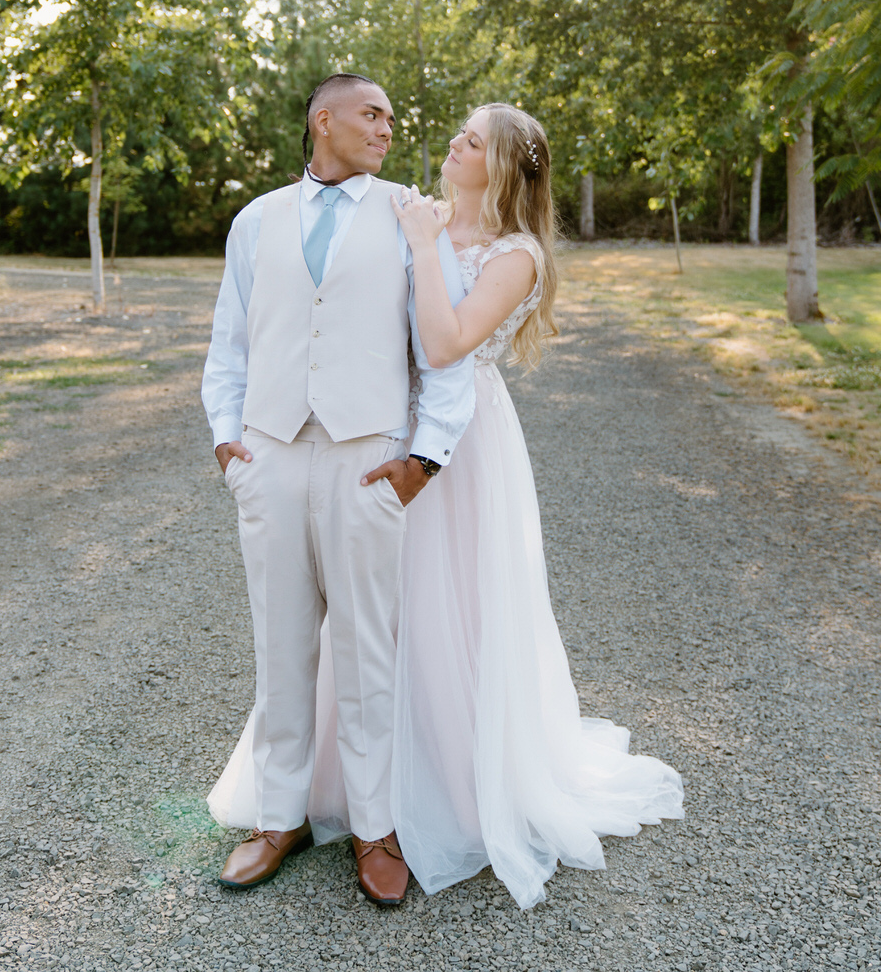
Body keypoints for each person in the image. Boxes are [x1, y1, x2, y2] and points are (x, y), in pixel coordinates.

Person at [387, 103, 685, 908]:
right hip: (388, 420)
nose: (457, 142)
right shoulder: (420, 214)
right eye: (461, 131)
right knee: (379, 600)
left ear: (507, 168)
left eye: (475, 140)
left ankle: (448, 789)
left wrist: (419, 241)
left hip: (463, 441)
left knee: (451, 606)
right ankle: (363, 778)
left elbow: (447, 344)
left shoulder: (515, 255)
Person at [201, 73, 475, 906]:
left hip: (368, 461)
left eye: (391, 117)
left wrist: (421, 462)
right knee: (280, 645)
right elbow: (229, 346)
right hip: (273, 457)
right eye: (372, 114)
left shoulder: (410, 218)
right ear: (325, 120)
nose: (387, 128)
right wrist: (228, 446)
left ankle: (376, 827)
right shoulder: (256, 220)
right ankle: (277, 818)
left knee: (369, 652)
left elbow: (444, 353)